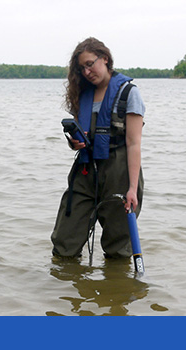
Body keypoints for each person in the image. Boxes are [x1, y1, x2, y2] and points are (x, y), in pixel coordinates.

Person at [51, 37, 145, 259]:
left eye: (90, 63)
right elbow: (81, 135)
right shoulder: (82, 94)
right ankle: (66, 288)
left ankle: (115, 290)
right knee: (65, 243)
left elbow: (133, 144)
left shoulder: (129, 93)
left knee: (117, 249)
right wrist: (73, 142)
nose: (86, 72)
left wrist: (132, 189)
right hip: (85, 172)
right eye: (81, 68)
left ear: (105, 59)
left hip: (119, 171)